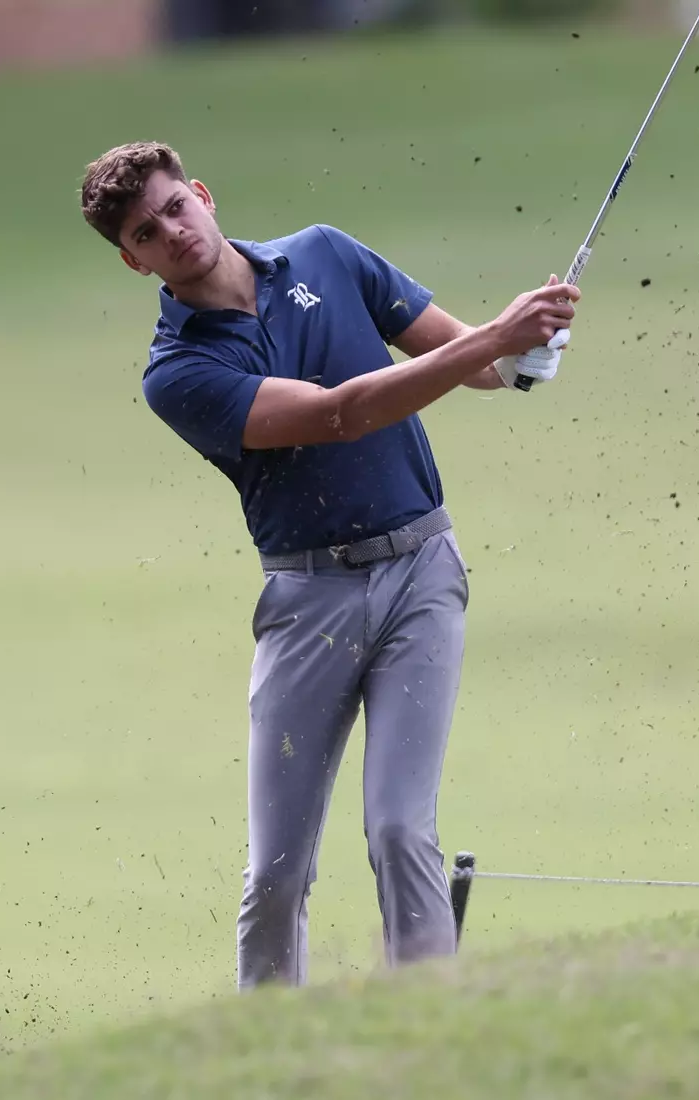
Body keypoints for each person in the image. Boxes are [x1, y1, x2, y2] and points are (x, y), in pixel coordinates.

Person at [77, 140, 580, 989]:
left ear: (201, 194)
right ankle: (269, 1057)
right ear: (134, 263)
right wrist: (494, 337)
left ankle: (427, 1031)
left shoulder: (324, 254)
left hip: (422, 570)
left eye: (173, 207)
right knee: (276, 871)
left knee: (398, 829)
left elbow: (478, 366)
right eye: (147, 233)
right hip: (309, 599)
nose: (173, 231)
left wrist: (525, 350)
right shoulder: (179, 373)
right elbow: (341, 414)